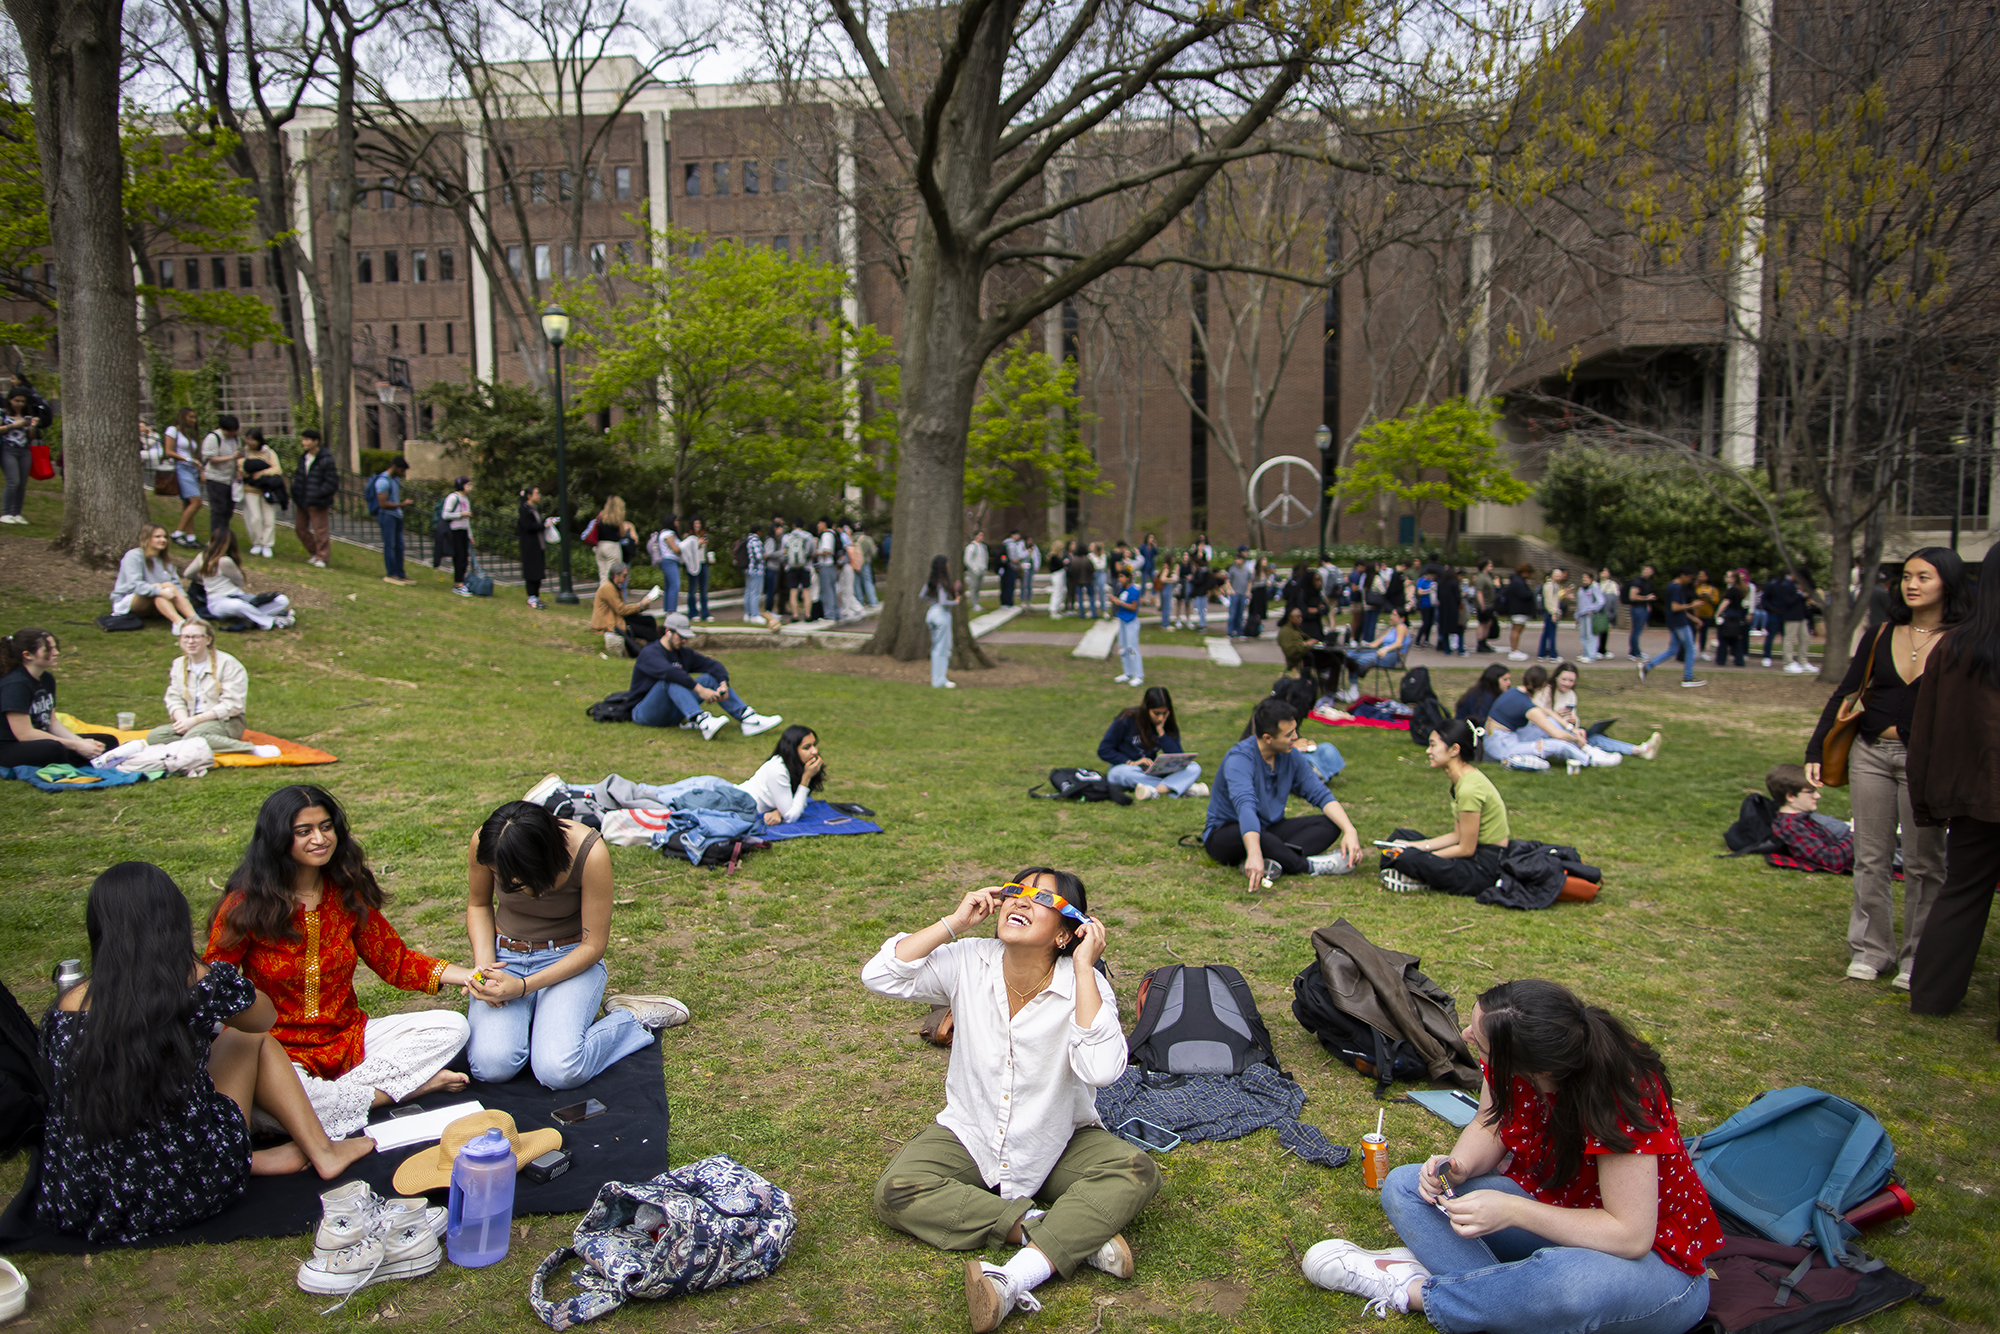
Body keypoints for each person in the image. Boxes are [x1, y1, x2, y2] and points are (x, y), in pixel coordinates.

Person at [1303, 978, 1720, 1334]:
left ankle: (1414, 1292)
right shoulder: (1515, 1065)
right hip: (1554, 1215)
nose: (1466, 1034)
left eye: (1477, 1036)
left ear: (1537, 1069)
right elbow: (1489, 1122)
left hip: (1657, 1268)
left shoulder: (1619, 1094)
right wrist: (1460, 1164)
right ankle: (1508, 1295)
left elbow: (1630, 1236)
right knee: (1406, 1186)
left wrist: (1515, 1212)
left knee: (1566, 1282)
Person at [864, 872, 1157, 1332]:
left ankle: (1013, 1278)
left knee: (1135, 1170)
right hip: (972, 1132)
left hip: (1058, 1137)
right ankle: (1061, 1230)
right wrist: (953, 922)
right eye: (1016, 891)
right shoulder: (969, 959)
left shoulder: (1085, 985)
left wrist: (1084, 968)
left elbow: (1102, 1071)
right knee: (898, 1190)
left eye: (1042, 897)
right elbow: (879, 973)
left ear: (1067, 931)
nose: (1021, 900)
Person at [40, 863, 378, 1243]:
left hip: (86, 1195)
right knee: (248, 1040)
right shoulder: (195, 983)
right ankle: (321, 1151)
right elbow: (263, 1018)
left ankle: (256, 1159)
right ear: (172, 919)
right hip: (185, 1187)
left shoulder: (66, 1005)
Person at [201, 786, 476, 1140]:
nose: (320, 838)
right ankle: (398, 1090)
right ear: (278, 839)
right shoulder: (246, 905)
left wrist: (468, 975)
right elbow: (216, 984)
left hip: (348, 1038)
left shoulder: (346, 891)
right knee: (264, 1107)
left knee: (452, 1026)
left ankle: (325, 1104)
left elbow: (394, 960)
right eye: (304, 832)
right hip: (279, 1050)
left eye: (326, 827)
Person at [1806, 548, 1963, 988]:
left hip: (1927, 761)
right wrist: (1816, 748)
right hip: (1871, 752)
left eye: (1924, 577)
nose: (1911, 585)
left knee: (1924, 861)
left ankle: (1919, 955)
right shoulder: (1880, 634)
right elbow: (1846, 693)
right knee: (1870, 856)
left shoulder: (1963, 638)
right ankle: (1872, 950)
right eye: (1907, 577)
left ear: (1947, 584)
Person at [464, 801, 687, 1090]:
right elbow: (479, 905)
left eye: (516, 881)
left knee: (559, 1069)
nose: (506, 883)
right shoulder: (487, 843)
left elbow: (593, 945)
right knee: (492, 1066)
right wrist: (485, 968)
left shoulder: (589, 852)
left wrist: (522, 987)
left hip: (569, 959)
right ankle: (539, 1021)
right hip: (507, 956)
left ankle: (630, 1019)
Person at [1906, 542, 2000, 1026]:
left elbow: (1926, 732)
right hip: (1976, 794)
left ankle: (1932, 994)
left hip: (1971, 796)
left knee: (1963, 889)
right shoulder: (1959, 648)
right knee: (1963, 888)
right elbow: (1928, 728)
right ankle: (1932, 995)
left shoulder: (1954, 647)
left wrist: (1927, 796)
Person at [1202, 698, 1363, 887]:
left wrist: (1350, 830)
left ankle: (1276, 860)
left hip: (1270, 829)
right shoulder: (1239, 760)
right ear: (1268, 738)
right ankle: (1308, 866)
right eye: (1289, 734)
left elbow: (1320, 793)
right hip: (1228, 832)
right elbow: (1246, 808)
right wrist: (1254, 854)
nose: (1295, 737)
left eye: (1295, 730)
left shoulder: (1290, 755)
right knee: (1259, 836)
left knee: (1331, 823)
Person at [1378, 720, 1512, 895]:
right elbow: (1457, 836)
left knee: (1406, 857)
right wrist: (1414, 846)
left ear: (1454, 750)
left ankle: (1420, 878)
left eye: (1433, 745)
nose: (1428, 751)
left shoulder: (1469, 788)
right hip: (1474, 854)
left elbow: (1466, 848)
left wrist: (1418, 855)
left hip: (1485, 866)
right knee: (1399, 837)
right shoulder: (1463, 780)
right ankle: (1414, 871)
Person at [629, 613, 783, 738]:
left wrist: (723, 684)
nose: (684, 641)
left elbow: (713, 665)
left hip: (673, 715)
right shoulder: (649, 653)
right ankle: (703, 721)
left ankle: (748, 718)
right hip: (645, 713)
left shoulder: (683, 653)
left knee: (710, 677)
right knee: (670, 680)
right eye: (681, 636)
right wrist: (700, 690)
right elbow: (671, 673)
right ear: (668, 632)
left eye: (686, 637)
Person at [1, 628, 119, 768]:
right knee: (54, 749)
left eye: (55, 647)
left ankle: (86, 757)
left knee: (108, 741)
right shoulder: (16, 685)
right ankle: (84, 759)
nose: (56, 653)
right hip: (10, 746)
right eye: (49, 649)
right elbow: (25, 734)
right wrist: (76, 745)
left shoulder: (46, 678)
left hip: (41, 739)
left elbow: (52, 722)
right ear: (27, 655)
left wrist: (81, 742)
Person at [145, 620, 260, 754]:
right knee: (155, 737)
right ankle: (193, 746)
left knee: (194, 737)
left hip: (225, 721)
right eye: (186, 637)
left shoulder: (228, 663)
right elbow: (174, 698)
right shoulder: (178, 664)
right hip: (192, 722)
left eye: (196, 637)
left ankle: (250, 749)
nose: (190, 641)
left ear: (208, 639)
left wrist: (195, 721)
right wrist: (183, 721)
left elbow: (233, 705)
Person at [1482, 673, 1617, 770]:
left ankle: (1586, 750)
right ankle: (1590, 760)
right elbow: (1557, 734)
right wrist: (1576, 739)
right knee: (1558, 744)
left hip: (1500, 737)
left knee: (1552, 721)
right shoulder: (1526, 706)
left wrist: (1571, 729)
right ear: (1540, 687)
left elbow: (1549, 713)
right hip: (1501, 746)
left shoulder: (1516, 692)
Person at [1097, 686, 1207, 800]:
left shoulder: (1166, 723)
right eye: (1156, 713)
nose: (1160, 718)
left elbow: (1178, 757)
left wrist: (1162, 734)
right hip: (1129, 768)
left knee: (1194, 767)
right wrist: (1131, 762)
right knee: (1121, 773)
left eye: (1164, 713)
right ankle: (1181, 788)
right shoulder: (1127, 719)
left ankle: (1156, 791)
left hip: (1151, 771)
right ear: (1146, 709)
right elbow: (1104, 750)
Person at [1535, 661, 1661, 759]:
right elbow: (1534, 715)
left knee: (1595, 738)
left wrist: (1574, 721)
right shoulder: (1546, 691)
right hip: (1549, 734)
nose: (1567, 683)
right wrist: (1556, 716)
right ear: (1556, 677)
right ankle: (1641, 750)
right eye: (1564, 679)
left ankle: (1640, 749)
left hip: (1568, 732)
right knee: (1594, 740)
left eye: (1571, 681)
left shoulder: (1571, 695)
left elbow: (1573, 719)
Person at [186, 528, 294, 629]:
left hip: (240, 596)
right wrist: (205, 579)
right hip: (219, 602)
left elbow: (188, 574)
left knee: (282, 600)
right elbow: (240, 581)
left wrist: (203, 578)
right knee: (239, 606)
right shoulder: (224, 561)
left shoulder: (204, 556)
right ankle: (271, 621)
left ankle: (252, 618)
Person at [1764, 764, 1854, 872]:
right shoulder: (1791, 826)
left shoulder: (1804, 817)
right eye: (1810, 792)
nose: (1817, 796)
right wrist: (1855, 834)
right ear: (1790, 796)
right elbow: (1830, 859)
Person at [111, 523, 199, 629]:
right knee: (161, 588)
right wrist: (160, 591)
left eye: (165, 537)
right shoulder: (134, 556)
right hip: (130, 601)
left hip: (158, 599)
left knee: (166, 586)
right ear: (147, 538)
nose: (163, 540)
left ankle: (193, 621)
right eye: (158, 537)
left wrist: (182, 597)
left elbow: (175, 584)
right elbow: (134, 585)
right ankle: (180, 622)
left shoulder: (166, 561)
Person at [737, 724, 826, 826]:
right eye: (807, 748)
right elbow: (791, 817)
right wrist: (806, 778)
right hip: (735, 804)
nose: (814, 751)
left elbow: (793, 803)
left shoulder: (797, 766)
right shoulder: (778, 770)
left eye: (815, 745)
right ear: (793, 750)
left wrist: (779, 812)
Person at [1639, 568, 1707, 688]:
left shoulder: (1672, 586)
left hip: (1673, 622)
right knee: (1691, 648)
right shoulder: (1676, 588)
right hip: (1680, 623)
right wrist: (1693, 605)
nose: (1690, 581)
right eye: (1689, 578)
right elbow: (1675, 607)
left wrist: (1694, 619)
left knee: (1672, 650)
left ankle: (1647, 666)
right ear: (1683, 575)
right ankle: (1688, 677)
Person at [1337, 606, 1413, 697]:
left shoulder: (1401, 627)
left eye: (1394, 615)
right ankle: (1356, 680)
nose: (1391, 616)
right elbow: (1375, 643)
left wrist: (1386, 649)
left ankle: (1353, 691)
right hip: (1381, 652)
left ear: (1402, 618)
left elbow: (1398, 643)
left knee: (1355, 660)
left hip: (1392, 656)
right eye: (1392, 614)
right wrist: (1362, 646)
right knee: (1351, 654)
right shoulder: (1392, 628)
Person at [592, 562, 662, 656]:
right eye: (624, 576)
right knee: (647, 632)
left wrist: (642, 606)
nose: (626, 578)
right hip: (612, 623)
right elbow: (621, 610)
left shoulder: (615, 586)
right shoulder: (608, 588)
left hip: (618, 618)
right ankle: (657, 652)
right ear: (616, 575)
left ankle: (655, 648)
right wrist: (640, 605)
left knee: (649, 620)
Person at [292, 429, 337, 567]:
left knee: (320, 531)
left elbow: (332, 481)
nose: (303, 442)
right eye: (303, 439)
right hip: (302, 499)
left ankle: (322, 557)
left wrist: (319, 494)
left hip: (318, 501)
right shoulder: (303, 458)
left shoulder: (325, 459)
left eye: (307, 439)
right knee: (300, 528)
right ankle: (314, 552)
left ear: (315, 441)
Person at [163, 406, 205, 547]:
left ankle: (190, 536)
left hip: (191, 468)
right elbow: (168, 451)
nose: (194, 420)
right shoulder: (172, 431)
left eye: (195, 417)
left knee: (188, 503)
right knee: (196, 501)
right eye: (191, 417)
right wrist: (187, 460)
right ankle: (178, 533)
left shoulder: (187, 433)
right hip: (182, 468)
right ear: (183, 417)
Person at [371, 458, 415, 585]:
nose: (403, 473)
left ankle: (400, 573)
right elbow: (383, 504)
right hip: (387, 516)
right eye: (402, 470)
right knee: (390, 545)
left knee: (399, 546)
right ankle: (392, 572)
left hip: (396, 516)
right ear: (395, 467)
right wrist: (402, 504)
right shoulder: (383, 482)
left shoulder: (395, 480)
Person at [198, 412, 243, 536]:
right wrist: (230, 457)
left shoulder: (236, 439)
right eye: (229, 431)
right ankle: (216, 537)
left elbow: (237, 457)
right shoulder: (213, 438)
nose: (232, 434)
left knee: (228, 510)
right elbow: (210, 459)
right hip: (216, 479)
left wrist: (238, 471)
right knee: (218, 509)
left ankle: (224, 535)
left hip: (230, 479)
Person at [923, 555, 961, 689]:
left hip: (931, 613)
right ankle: (939, 680)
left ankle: (937, 678)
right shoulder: (942, 582)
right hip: (941, 615)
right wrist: (955, 602)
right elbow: (943, 602)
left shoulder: (931, 581)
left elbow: (923, 595)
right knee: (943, 648)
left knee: (936, 648)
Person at [0, 388, 37, 524]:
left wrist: (33, 427)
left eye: (22, 401)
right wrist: (13, 426)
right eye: (17, 400)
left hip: (24, 450)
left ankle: (17, 513)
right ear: (10, 400)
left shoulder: (27, 416)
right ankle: (5, 513)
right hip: (8, 449)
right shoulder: (3, 414)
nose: (20, 403)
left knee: (22, 483)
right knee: (13, 481)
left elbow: (31, 437)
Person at [588, 497, 638, 586]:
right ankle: (610, 597)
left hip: (600, 546)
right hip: (612, 546)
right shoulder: (617, 518)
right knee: (612, 576)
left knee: (603, 575)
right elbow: (622, 534)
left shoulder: (601, 515)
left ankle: (602, 596)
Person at [1110, 564, 1144, 687]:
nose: (1120, 579)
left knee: (1132, 648)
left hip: (1131, 622)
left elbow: (1134, 607)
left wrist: (1119, 602)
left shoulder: (1134, 591)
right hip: (1123, 621)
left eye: (1122, 577)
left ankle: (1138, 675)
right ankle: (1127, 672)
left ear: (1128, 578)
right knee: (1123, 648)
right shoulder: (1122, 590)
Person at [439, 476, 474, 595]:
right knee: (459, 557)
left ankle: (461, 582)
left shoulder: (466, 499)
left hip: (463, 531)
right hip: (455, 531)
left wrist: (470, 534)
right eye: (468, 485)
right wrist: (460, 514)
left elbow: (467, 520)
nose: (470, 487)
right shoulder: (453, 497)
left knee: (464, 558)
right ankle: (458, 584)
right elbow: (445, 515)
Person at [517, 486, 547, 608]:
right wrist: (543, 525)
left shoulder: (535, 509)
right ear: (529, 496)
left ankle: (536, 595)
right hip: (530, 545)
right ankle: (531, 596)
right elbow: (527, 526)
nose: (538, 496)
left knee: (539, 570)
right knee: (531, 570)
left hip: (539, 544)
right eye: (536, 494)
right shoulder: (525, 509)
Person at [646, 518, 683, 616]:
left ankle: (668, 609)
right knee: (675, 585)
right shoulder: (669, 534)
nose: (677, 523)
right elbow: (675, 549)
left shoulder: (663, 533)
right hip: (670, 560)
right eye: (676, 521)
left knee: (669, 586)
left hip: (666, 561)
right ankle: (671, 611)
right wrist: (686, 547)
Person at [1714, 570, 1750, 668]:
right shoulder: (1740, 589)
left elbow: (1726, 602)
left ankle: (1721, 659)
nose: (1726, 578)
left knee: (1723, 637)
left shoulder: (1732, 590)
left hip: (1729, 616)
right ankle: (1739, 660)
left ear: (1733, 579)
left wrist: (1717, 613)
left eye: (1728, 576)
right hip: (1736, 616)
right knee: (1734, 638)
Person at [781, 519, 816, 622]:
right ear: (803, 526)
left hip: (791, 567)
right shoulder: (808, 536)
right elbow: (812, 551)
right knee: (806, 590)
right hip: (805, 566)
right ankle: (808, 615)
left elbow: (784, 552)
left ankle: (795, 615)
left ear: (793, 525)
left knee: (793, 591)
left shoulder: (787, 537)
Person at [1502, 563, 1536, 660]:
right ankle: (1514, 650)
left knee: (1517, 629)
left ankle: (1514, 649)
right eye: (1529, 573)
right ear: (1524, 572)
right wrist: (1531, 594)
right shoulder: (1518, 582)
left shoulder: (1516, 581)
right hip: (1518, 609)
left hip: (1517, 609)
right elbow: (1524, 594)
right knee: (1516, 629)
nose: (1529, 576)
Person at [1623, 563, 1656, 660]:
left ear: (1652, 572)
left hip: (1643, 608)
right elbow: (1632, 597)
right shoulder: (1637, 582)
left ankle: (1636, 651)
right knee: (1636, 631)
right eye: (1644, 570)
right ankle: (1633, 653)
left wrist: (1648, 604)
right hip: (1637, 609)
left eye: (1648, 570)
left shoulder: (1647, 582)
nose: (1646, 572)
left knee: (1638, 631)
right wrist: (1647, 598)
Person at [1277, 604, 1320, 678]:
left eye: (1301, 617)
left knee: (1335, 659)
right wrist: (1306, 644)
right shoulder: (1285, 631)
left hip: (1307, 657)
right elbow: (1290, 651)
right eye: (1298, 617)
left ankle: (1328, 686)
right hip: (1298, 661)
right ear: (1290, 618)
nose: (1300, 619)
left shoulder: (1296, 629)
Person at [682, 516, 712, 621]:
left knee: (703, 590)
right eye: (696, 524)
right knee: (693, 589)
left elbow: (706, 549)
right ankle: (692, 612)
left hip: (703, 563)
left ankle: (705, 613)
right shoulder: (688, 537)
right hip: (693, 564)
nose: (698, 527)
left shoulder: (704, 535)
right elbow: (686, 549)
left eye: (699, 524)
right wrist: (698, 544)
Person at [813, 517, 842, 621]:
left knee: (827, 591)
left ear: (824, 523)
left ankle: (829, 614)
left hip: (826, 565)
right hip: (832, 566)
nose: (818, 525)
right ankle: (836, 613)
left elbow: (827, 551)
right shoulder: (833, 534)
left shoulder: (826, 535)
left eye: (820, 523)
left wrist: (816, 553)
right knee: (833, 590)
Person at [1572, 571, 1604, 663]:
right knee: (1583, 635)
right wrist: (1576, 615)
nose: (1584, 580)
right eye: (1583, 578)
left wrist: (1592, 609)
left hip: (1590, 615)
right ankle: (1585, 653)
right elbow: (1579, 603)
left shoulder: (1595, 587)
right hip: (1582, 615)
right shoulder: (1581, 589)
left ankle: (1591, 655)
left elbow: (1600, 601)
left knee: (1591, 635)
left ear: (1591, 579)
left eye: (1586, 578)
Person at [964, 529, 989, 611]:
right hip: (974, 570)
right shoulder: (971, 547)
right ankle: (974, 604)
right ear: (976, 536)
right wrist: (974, 568)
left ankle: (977, 603)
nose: (982, 537)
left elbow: (985, 558)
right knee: (973, 587)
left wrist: (984, 567)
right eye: (980, 535)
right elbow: (967, 559)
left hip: (981, 569)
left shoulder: (983, 547)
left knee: (978, 587)